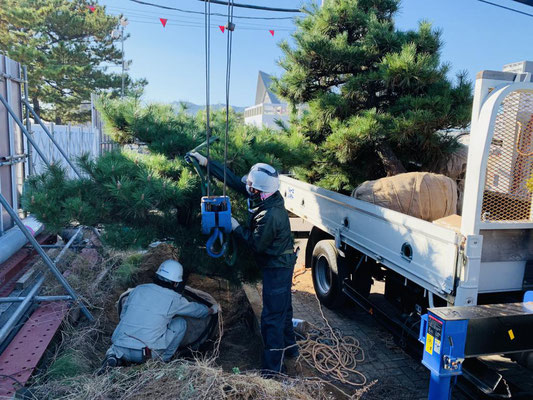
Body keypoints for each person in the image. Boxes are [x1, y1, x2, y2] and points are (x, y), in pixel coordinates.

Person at [189, 152, 298, 376]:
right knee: (283, 310)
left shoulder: (270, 215)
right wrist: (208, 164)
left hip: (277, 267)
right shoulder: (265, 194)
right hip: (279, 262)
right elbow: (234, 180)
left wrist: (236, 227)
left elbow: (256, 245)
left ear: (259, 191)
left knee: (271, 318)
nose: (246, 187)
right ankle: (291, 350)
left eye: (250, 186)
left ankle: (272, 371)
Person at [99, 259, 217, 372]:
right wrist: (211, 310)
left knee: (116, 346)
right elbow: (196, 311)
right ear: (176, 283)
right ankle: (163, 361)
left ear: (157, 275)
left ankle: (113, 357)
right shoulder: (174, 299)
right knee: (181, 323)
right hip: (146, 353)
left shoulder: (138, 290)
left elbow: (123, 314)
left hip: (120, 346)